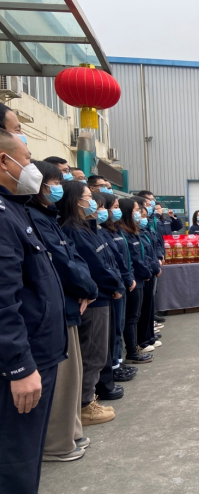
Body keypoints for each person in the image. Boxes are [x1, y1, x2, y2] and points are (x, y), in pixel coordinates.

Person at [0, 131, 67, 493]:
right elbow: (3, 298)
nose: (32, 168)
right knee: (16, 459)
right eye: (26, 159)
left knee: (27, 454)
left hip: (38, 350)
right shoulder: (3, 216)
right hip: (23, 360)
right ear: (4, 161)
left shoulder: (15, 208)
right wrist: (19, 365)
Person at [26, 162, 99, 463]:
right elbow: (63, 263)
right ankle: (58, 442)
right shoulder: (34, 218)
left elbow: (75, 259)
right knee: (63, 379)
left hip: (68, 303)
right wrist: (89, 288)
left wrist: (88, 287)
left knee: (73, 375)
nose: (58, 187)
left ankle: (71, 432)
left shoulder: (48, 217)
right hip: (57, 307)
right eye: (55, 182)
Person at [57, 181, 124, 425]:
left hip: (102, 294)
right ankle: (85, 405)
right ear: (75, 201)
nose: (94, 203)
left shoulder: (88, 228)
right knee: (92, 353)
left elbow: (107, 261)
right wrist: (111, 285)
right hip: (94, 299)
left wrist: (116, 284)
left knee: (98, 351)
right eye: (88, 197)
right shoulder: (73, 230)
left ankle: (88, 398)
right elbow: (94, 267)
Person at [100, 193, 139, 381]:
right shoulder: (104, 233)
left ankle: (118, 361)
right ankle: (114, 365)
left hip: (123, 283)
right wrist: (123, 280)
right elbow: (112, 261)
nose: (116, 211)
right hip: (114, 286)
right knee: (115, 328)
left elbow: (124, 259)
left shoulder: (115, 231)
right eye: (113, 207)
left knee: (120, 324)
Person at [116, 198, 154, 365]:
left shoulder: (133, 232)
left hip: (138, 278)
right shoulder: (123, 234)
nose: (138, 214)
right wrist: (144, 273)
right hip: (133, 280)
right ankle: (132, 351)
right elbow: (133, 259)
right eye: (136, 211)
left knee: (135, 316)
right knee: (131, 317)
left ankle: (135, 347)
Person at [133, 196, 162, 350]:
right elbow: (137, 258)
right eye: (140, 213)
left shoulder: (145, 230)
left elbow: (153, 248)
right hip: (140, 276)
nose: (143, 218)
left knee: (147, 306)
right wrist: (150, 270)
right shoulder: (133, 234)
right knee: (138, 313)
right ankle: (140, 342)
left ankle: (148, 337)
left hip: (149, 272)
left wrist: (156, 264)